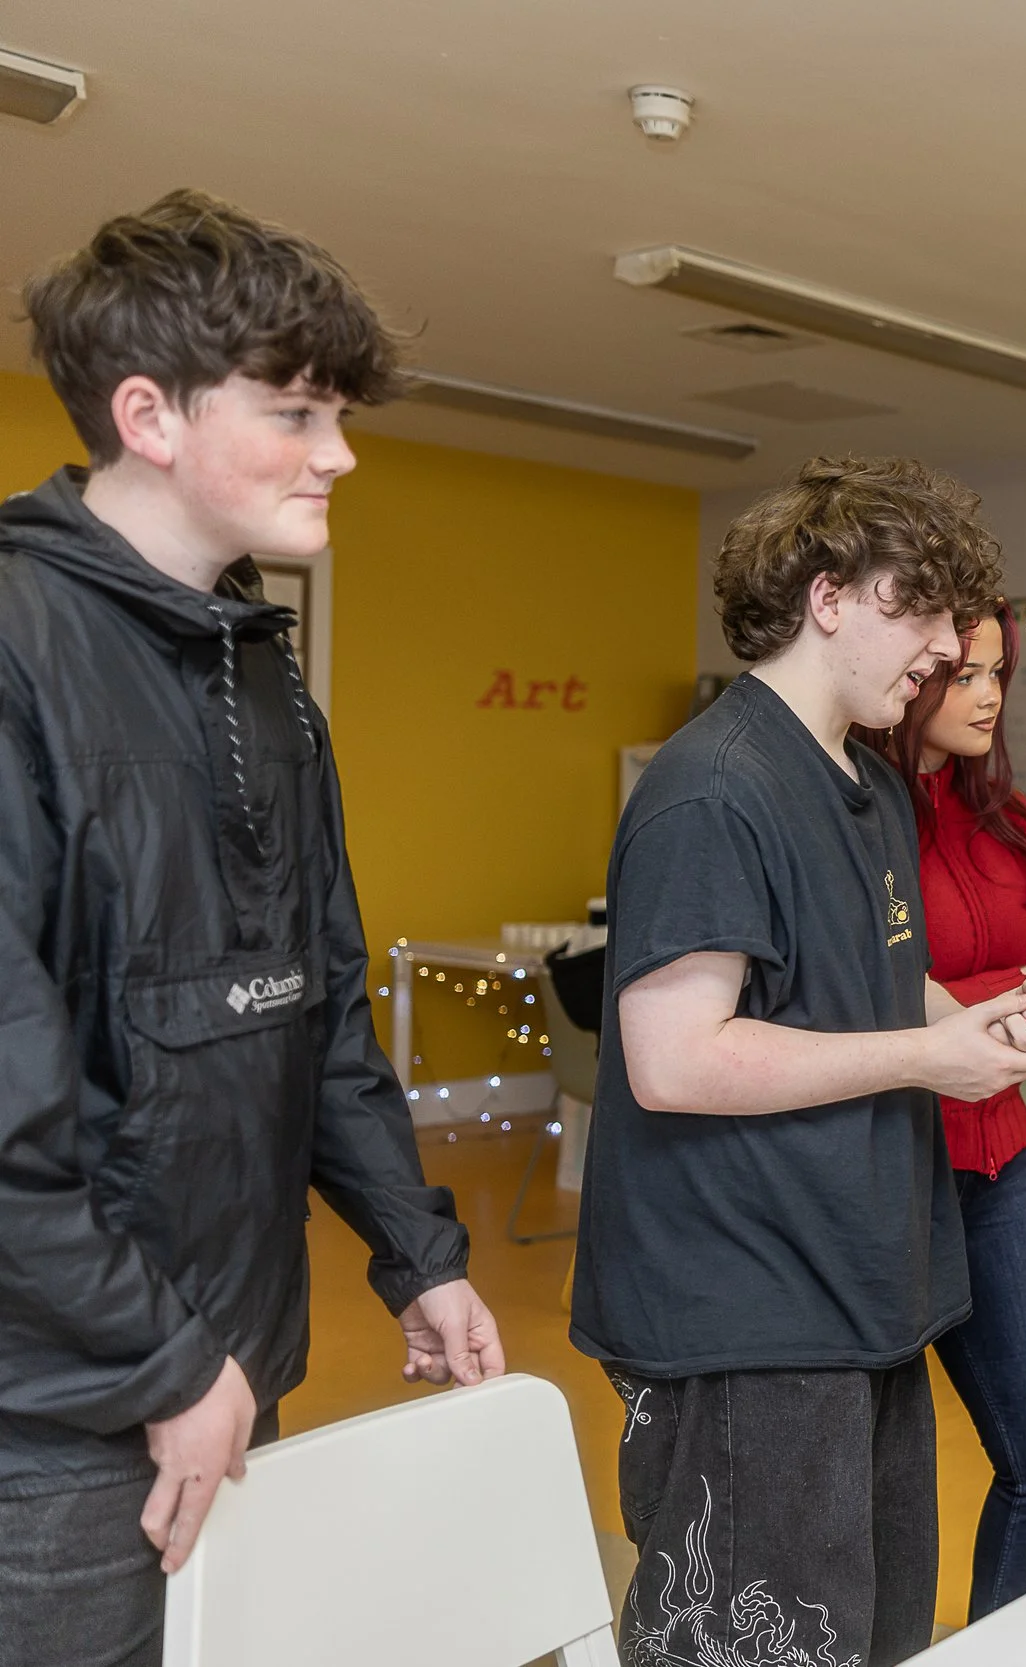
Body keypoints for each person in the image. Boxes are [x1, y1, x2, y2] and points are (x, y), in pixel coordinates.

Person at [0, 190, 503, 1666]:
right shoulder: (16, 647)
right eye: (295, 412)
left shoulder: (262, 670)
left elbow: (315, 1005)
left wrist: (418, 1250)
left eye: (337, 413)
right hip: (51, 1412)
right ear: (148, 414)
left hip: (226, 1359)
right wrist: (160, 1358)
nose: (339, 452)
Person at [571, 457, 1026, 1667]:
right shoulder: (712, 789)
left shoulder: (870, 785)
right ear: (827, 598)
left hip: (861, 1293)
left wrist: (969, 1023)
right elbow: (675, 1059)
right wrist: (925, 1054)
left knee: (877, 1637)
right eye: (920, 609)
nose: (943, 646)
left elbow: (871, 977)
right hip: (748, 1317)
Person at [874, 604, 1026, 1620]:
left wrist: (963, 1005)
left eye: (1000, 672)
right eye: (965, 674)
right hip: (884, 1170)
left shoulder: (1014, 819)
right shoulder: (857, 813)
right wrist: (998, 994)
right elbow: (860, 992)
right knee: (883, 1487)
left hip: (997, 1164)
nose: (989, 695)